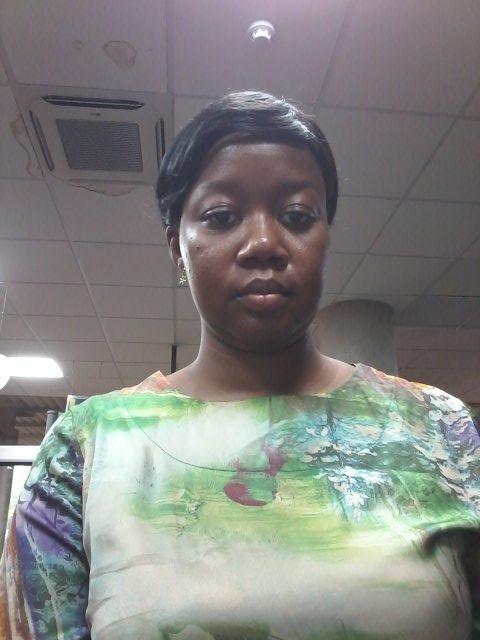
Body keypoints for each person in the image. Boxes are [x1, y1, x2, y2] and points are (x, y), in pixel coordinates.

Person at [1, 91, 479, 640]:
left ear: (326, 236)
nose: (263, 243)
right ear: (177, 248)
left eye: (297, 216)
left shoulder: (439, 431)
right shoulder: (86, 450)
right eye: (222, 217)